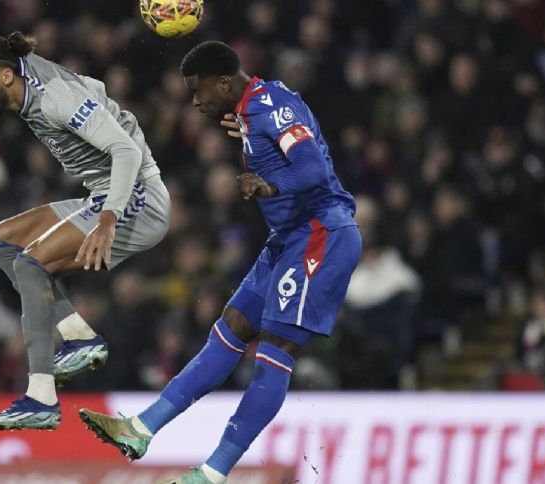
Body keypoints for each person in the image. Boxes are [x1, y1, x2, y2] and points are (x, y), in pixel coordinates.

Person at [79, 41, 362, 484]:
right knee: (229, 328)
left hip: (321, 236)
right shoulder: (256, 107)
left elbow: (311, 170)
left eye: (198, 90)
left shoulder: (268, 108)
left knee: (274, 349)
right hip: (287, 238)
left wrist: (266, 184)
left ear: (225, 83)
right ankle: (140, 428)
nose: (194, 101)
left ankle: (213, 473)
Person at [0, 32, 171, 430]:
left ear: (6, 77)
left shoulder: (56, 98)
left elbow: (125, 150)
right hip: (104, 195)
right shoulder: (22, 80)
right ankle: (77, 335)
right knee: (2, 242)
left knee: (30, 264)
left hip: (137, 198)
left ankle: (40, 397)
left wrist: (109, 218)